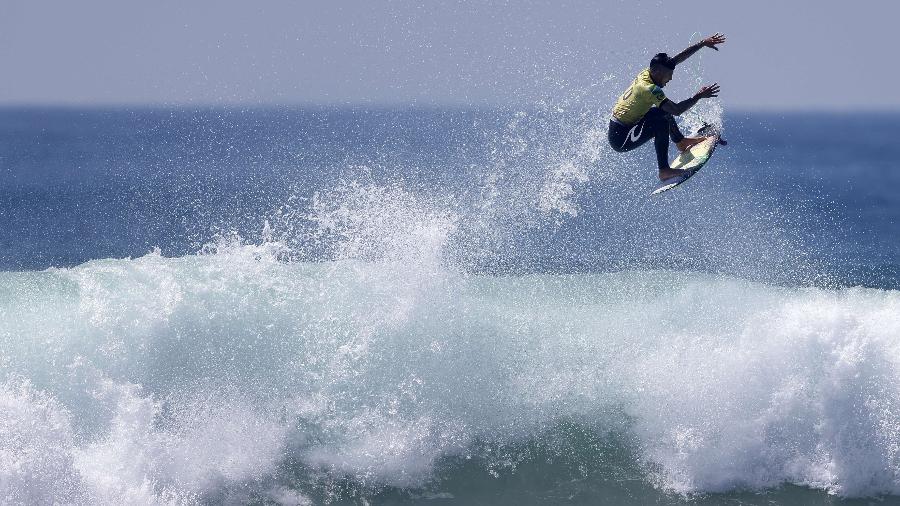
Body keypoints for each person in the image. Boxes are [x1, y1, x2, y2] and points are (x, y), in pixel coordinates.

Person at [608, 33, 726, 181]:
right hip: (621, 137)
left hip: (629, 124)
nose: (670, 78)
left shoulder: (649, 72)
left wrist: (702, 43)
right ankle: (664, 170)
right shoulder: (649, 88)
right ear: (657, 72)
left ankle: (681, 142)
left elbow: (675, 60)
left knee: (661, 111)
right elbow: (676, 110)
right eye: (668, 75)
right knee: (662, 121)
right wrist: (698, 96)